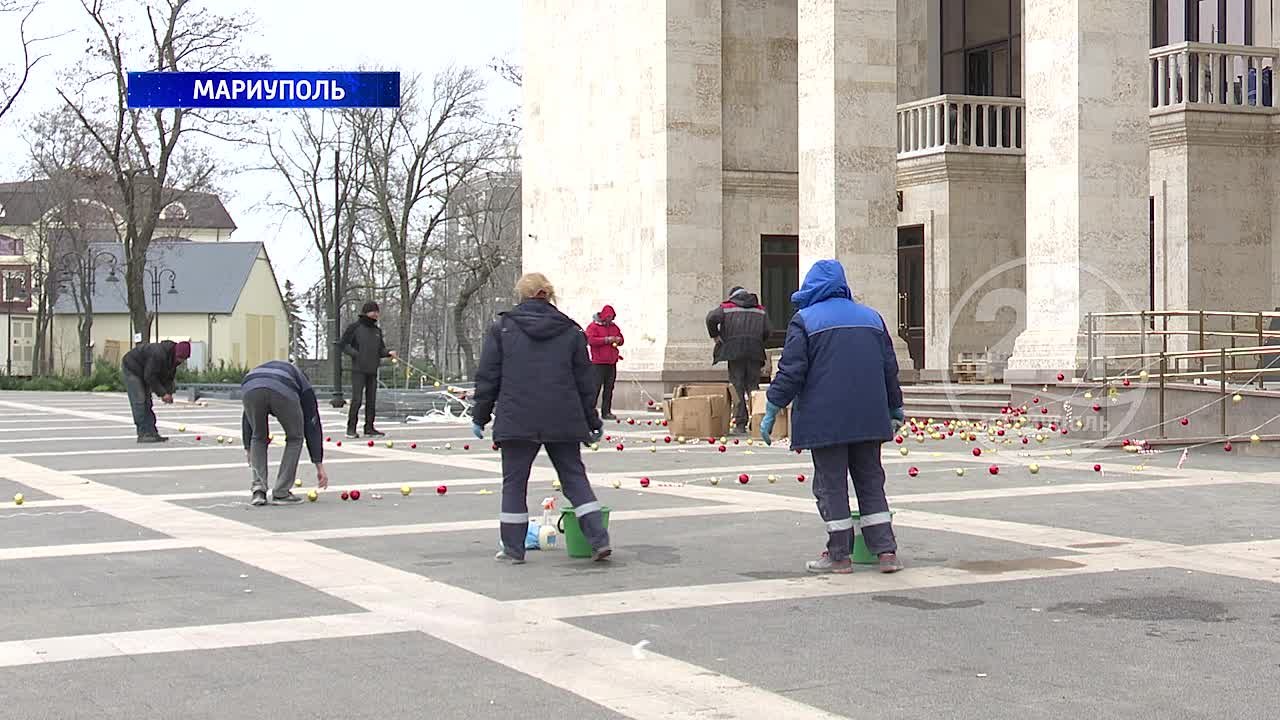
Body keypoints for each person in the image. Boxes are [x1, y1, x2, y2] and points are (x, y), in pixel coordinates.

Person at [760, 259, 905, 575]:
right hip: (869, 418)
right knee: (870, 481)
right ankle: (886, 552)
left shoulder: (805, 320)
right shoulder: (872, 318)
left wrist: (772, 406)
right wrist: (895, 408)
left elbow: (791, 371)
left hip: (826, 422)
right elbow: (888, 369)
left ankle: (839, 555)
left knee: (831, 485)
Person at [472, 272, 612, 565]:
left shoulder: (503, 328)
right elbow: (585, 382)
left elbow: (488, 375)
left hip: (516, 417)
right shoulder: (571, 330)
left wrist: (480, 415)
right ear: (549, 295)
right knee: (574, 478)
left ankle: (513, 549)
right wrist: (592, 421)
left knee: (514, 483)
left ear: (521, 295)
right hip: (563, 417)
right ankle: (598, 539)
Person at [240, 360, 329, 506]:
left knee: (258, 436)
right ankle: (281, 492)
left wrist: (248, 447)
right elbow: (312, 424)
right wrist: (319, 465)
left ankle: (258, 491)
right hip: (281, 389)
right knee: (295, 437)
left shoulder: (268, 371)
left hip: (250, 385)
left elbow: (247, 418)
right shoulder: (304, 386)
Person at [706, 286, 770, 433]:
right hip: (754, 352)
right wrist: (758, 341)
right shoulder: (760, 310)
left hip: (734, 352)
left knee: (737, 385)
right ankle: (757, 422)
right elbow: (768, 331)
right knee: (753, 386)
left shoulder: (727, 307)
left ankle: (740, 423)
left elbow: (710, 318)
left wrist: (715, 336)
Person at [338, 301, 397, 438]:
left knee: (371, 400)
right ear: (366, 312)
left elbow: (380, 350)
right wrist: (355, 354)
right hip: (358, 369)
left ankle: (369, 427)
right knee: (357, 399)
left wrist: (388, 353)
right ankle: (351, 428)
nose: (376, 314)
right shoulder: (355, 327)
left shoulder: (377, 331)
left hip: (372, 369)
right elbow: (343, 344)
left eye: (377, 312)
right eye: (373, 311)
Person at [121, 339, 190, 443]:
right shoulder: (158, 354)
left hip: (144, 371)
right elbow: (150, 376)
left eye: (183, 359)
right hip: (132, 368)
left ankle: (152, 432)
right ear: (176, 352)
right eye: (180, 358)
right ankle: (143, 433)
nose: (180, 361)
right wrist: (163, 393)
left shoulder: (173, 359)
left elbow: (168, 377)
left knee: (147, 402)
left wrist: (168, 392)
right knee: (140, 401)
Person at [584, 304, 624, 420]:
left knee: (609, 388)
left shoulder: (614, 327)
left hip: (612, 362)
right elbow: (590, 340)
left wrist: (618, 340)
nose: (610, 319)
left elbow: (621, 338)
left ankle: (606, 412)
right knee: (595, 388)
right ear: (603, 316)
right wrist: (607, 340)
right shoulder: (593, 327)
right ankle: (589, 412)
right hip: (598, 363)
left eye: (612, 317)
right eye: (609, 317)